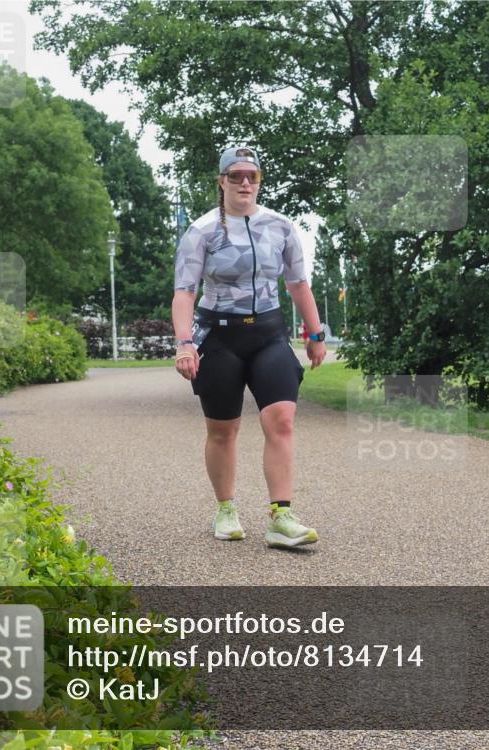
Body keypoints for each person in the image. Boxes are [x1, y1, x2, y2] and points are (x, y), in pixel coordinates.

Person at [171, 146, 327, 548]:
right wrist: (185, 343)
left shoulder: (281, 227)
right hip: (220, 338)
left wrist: (314, 334)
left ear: (259, 182)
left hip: (269, 336)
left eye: (252, 176)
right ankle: (225, 509)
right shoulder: (202, 231)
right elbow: (185, 292)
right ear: (221, 181)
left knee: (282, 421)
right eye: (236, 175)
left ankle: (281, 516)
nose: (244, 183)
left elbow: (298, 285)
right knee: (223, 430)